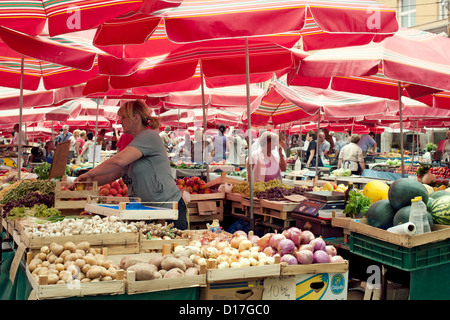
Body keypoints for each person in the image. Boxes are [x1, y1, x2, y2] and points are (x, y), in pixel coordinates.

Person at [76, 100, 188, 229]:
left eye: (123, 117)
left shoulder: (149, 136)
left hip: (168, 209)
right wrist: (88, 181)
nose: (120, 121)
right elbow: (115, 172)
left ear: (136, 118)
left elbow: (118, 161)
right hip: (148, 211)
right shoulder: (136, 142)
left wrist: (89, 173)